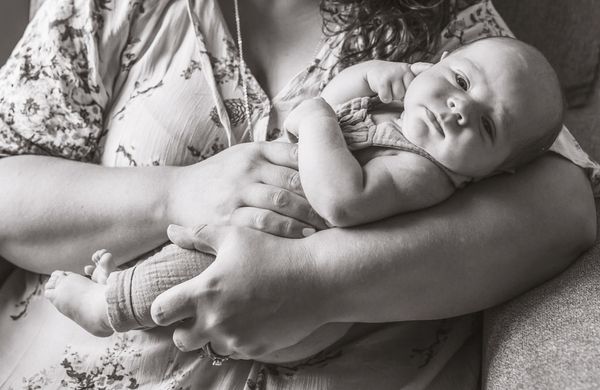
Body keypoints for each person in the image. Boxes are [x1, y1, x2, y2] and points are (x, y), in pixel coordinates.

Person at [0, 0, 596, 388]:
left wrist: (314, 279)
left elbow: (570, 207)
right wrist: (176, 196)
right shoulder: (111, 9)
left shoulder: (456, 34)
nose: (462, 105)